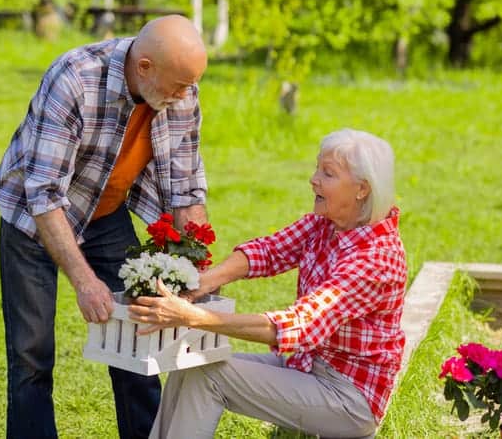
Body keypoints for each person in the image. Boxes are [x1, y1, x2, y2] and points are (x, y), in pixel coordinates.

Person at [0, 15, 208, 439]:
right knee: (32, 353)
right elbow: (44, 195)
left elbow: (186, 190)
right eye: (178, 85)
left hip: (105, 212)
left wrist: (197, 267)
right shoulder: (74, 79)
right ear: (144, 66)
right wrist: (84, 281)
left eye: (191, 85)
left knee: (135, 333)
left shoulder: (181, 91)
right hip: (34, 217)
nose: (185, 95)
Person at [130, 128, 408, 439]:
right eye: (318, 168)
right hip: (308, 365)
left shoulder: (374, 260)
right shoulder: (325, 224)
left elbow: (297, 327)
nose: (313, 179)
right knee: (193, 362)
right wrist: (204, 281)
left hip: (348, 397)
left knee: (209, 375)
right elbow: (269, 251)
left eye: (327, 174)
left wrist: (193, 317)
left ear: (362, 189)